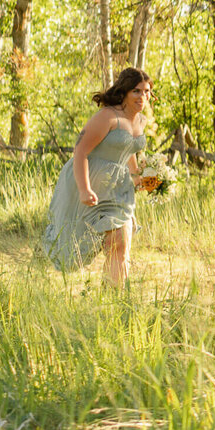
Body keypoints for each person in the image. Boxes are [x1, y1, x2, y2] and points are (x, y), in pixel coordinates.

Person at [42, 68, 152, 287]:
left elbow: (128, 148)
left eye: (147, 91)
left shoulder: (140, 121)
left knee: (120, 241)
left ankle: (114, 298)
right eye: (136, 91)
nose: (143, 97)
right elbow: (81, 151)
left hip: (118, 187)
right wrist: (84, 188)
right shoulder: (108, 116)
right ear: (124, 92)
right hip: (89, 181)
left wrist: (138, 177)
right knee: (75, 242)